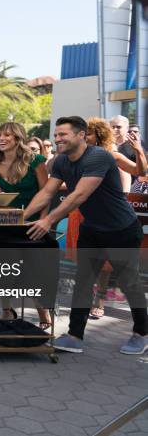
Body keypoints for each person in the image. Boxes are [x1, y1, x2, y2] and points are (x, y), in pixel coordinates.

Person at [25, 116, 147, 355]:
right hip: (92, 229)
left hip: (121, 230)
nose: (57, 139)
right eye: (56, 134)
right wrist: (22, 218)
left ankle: (142, 333)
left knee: (129, 282)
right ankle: (74, 335)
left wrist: (48, 220)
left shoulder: (99, 157)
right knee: (83, 282)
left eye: (63, 135)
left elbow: (78, 196)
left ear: (81, 136)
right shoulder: (61, 161)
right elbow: (47, 192)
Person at [72, 118, 147, 319]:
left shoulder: (110, 156)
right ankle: (76, 329)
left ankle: (138, 326)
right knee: (85, 271)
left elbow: (139, 171)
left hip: (117, 222)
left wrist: (139, 150)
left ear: (99, 136)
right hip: (88, 219)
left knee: (119, 273)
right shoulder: (75, 158)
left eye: (87, 133)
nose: (83, 137)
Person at [0, 122, 51, 328]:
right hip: (6, 224)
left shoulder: (36, 161)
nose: (2, 139)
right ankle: (7, 310)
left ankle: (44, 316)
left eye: (7, 135)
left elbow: (45, 194)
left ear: (18, 138)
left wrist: (44, 221)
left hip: (33, 225)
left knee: (34, 273)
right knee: (2, 270)